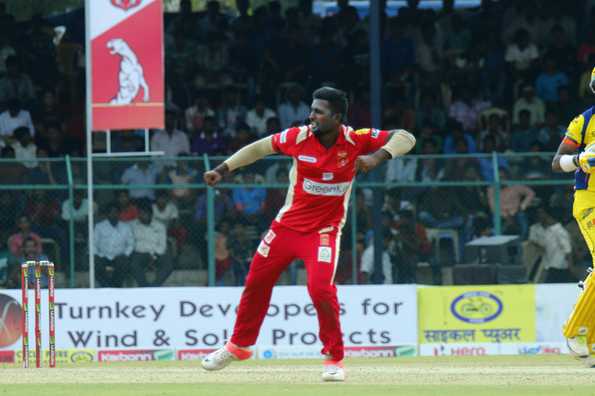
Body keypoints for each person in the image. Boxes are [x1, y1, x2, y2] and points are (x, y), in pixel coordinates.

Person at [200, 87, 416, 381]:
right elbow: (257, 149)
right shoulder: (296, 137)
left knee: (320, 290)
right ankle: (239, 346)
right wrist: (222, 169)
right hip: (285, 228)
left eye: (319, 111)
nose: (311, 116)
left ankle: (334, 359)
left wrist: (377, 157)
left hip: (323, 233)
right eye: (312, 109)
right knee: (256, 281)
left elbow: (406, 137)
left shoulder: (355, 139)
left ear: (337, 117)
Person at [551, 66, 595, 366]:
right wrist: (579, 159)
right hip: (590, 200)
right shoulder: (585, 120)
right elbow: (556, 162)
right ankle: (575, 333)